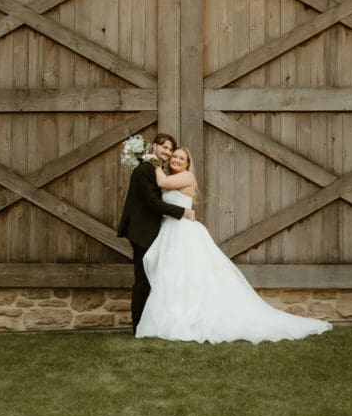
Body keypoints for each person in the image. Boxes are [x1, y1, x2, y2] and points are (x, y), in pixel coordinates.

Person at [136, 147, 332, 343]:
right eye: (175, 156)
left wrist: (151, 159)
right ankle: (171, 318)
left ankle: (190, 318)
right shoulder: (171, 175)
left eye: (181, 158)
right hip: (170, 231)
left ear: (188, 164)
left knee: (188, 277)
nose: (177, 160)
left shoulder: (187, 176)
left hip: (183, 232)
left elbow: (161, 182)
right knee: (173, 276)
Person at [116, 133, 196, 333]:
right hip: (142, 232)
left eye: (171, 150)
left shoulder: (157, 170)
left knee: (159, 279)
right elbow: (153, 203)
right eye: (165, 148)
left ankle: (154, 324)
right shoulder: (146, 169)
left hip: (159, 233)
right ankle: (138, 328)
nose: (168, 153)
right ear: (153, 147)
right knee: (143, 280)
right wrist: (183, 212)